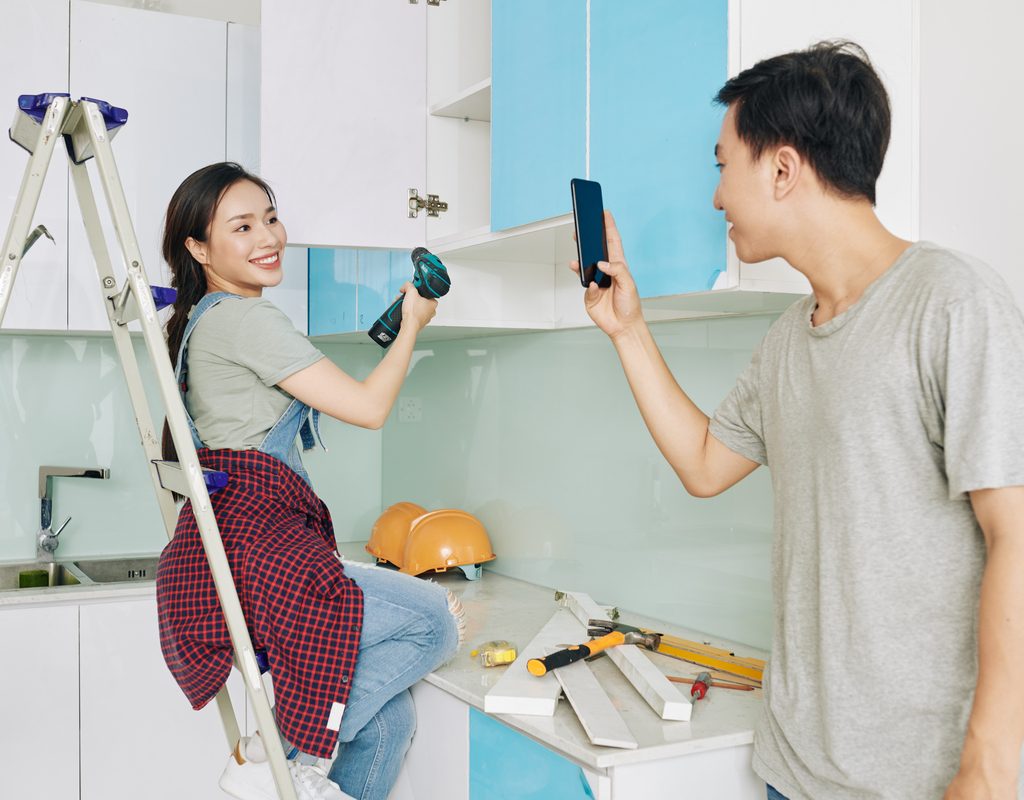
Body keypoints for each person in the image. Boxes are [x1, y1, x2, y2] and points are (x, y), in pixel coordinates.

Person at [576, 42, 1024, 799]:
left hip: (921, 780)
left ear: (782, 169)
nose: (716, 197)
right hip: (794, 769)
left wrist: (988, 760)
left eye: (723, 166)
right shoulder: (790, 337)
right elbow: (704, 464)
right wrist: (628, 330)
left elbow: (1014, 533)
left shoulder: (952, 303)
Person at [154, 162, 465, 800]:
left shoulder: (200, 321)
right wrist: (411, 325)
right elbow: (371, 409)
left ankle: (287, 762)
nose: (267, 236)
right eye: (242, 226)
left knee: (387, 721)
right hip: (261, 547)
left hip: (238, 551)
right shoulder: (246, 320)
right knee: (433, 621)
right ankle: (272, 754)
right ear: (199, 248)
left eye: (270, 218)